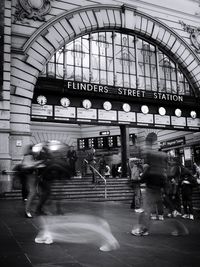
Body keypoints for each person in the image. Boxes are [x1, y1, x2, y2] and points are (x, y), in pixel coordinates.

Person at [131, 149, 168, 236]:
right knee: (151, 209)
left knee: (146, 211)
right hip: (158, 191)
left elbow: (143, 179)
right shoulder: (160, 170)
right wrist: (164, 190)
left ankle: (143, 230)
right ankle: (145, 228)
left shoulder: (150, 169)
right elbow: (164, 182)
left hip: (150, 191)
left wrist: (133, 182)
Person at [22, 144, 43, 218]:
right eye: (32, 149)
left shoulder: (29, 156)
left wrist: (37, 163)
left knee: (36, 193)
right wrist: (39, 163)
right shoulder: (28, 156)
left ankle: (32, 209)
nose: (33, 150)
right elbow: (28, 165)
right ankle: (27, 211)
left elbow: (30, 165)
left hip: (32, 176)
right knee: (32, 193)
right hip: (31, 176)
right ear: (30, 149)